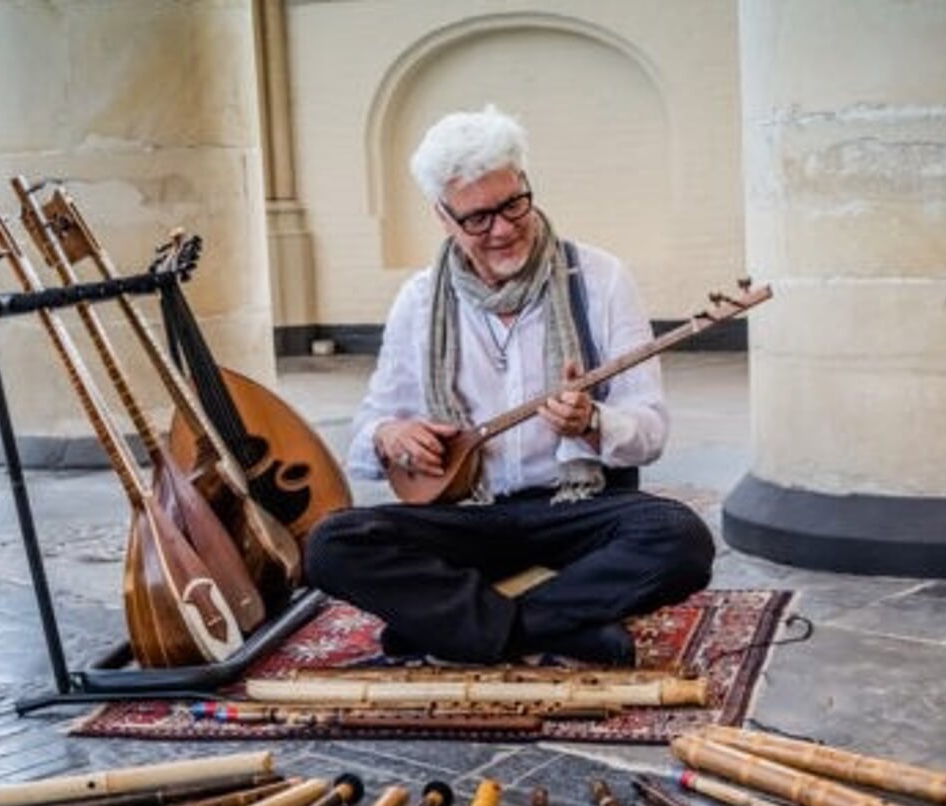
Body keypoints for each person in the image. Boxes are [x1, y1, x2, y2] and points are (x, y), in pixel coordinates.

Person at [304, 105, 715, 666]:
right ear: (443, 218)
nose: (502, 229)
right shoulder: (420, 300)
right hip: (465, 517)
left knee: (680, 538)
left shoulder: (600, 279)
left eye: (513, 204)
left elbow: (650, 430)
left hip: (577, 511)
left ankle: (454, 628)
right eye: (477, 218)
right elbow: (371, 425)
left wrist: (593, 423)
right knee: (331, 544)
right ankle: (558, 627)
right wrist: (392, 435)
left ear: (525, 184)